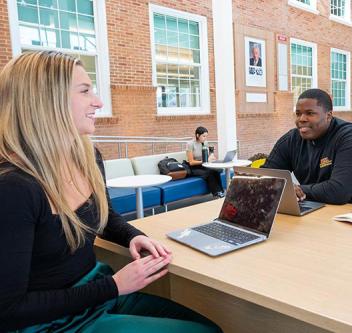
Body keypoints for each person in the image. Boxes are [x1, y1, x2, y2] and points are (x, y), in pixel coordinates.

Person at [0, 51, 222, 332]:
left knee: (209, 325)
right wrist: (114, 285)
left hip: (97, 296)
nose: (99, 102)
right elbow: (8, 311)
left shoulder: (87, 155)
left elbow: (103, 215)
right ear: (46, 101)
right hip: (53, 323)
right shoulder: (13, 188)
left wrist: (133, 236)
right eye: (85, 91)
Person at [263, 88, 352, 204]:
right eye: (298, 113)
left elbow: (339, 191)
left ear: (328, 116)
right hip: (319, 206)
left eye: (310, 113)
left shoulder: (351, 137)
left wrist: (294, 190)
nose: (301, 119)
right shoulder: (291, 140)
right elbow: (265, 176)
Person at [186, 127, 225, 198]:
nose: (205, 138)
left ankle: (221, 191)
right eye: (203, 136)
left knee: (216, 171)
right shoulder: (190, 144)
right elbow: (191, 162)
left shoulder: (205, 143)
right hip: (193, 167)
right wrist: (204, 161)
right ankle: (217, 193)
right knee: (209, 173)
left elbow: (207, 155)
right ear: (197, 135)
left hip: (204, 165)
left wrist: (211, 157)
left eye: (206, 136)